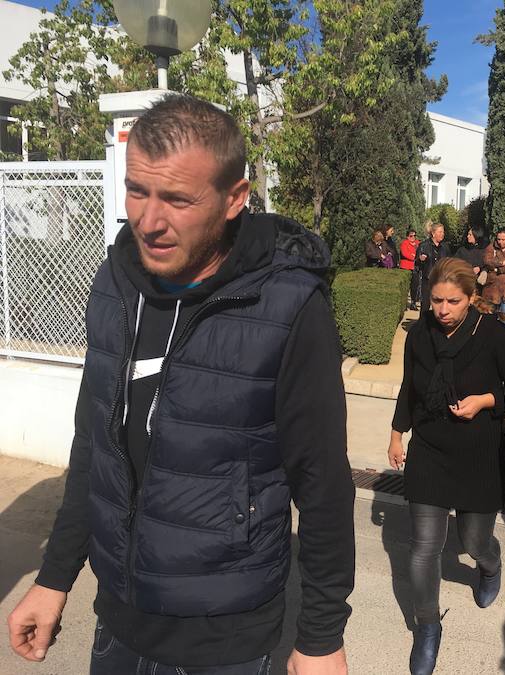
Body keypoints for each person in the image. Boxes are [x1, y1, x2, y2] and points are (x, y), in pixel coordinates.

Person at [5, 95, 355, 675]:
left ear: (234, 200)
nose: (148, 219)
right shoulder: (114, 283)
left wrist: (319, 638)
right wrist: (54, 578)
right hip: (118, 626)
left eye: (177, 199)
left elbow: (322, 482)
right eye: (137, 190)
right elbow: (95, 444)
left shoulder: (290, 304)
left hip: (229, 644)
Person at [388, 257, 505, 675]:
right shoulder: (419, 334)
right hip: (430, 451)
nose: (443, 309)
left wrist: (487, 400)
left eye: (453, 301)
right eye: (436, 300)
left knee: (472, 543)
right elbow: (409, 388)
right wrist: (398, 434)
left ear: (472, 299)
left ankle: (490, 564)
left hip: (479, 455)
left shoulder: (493, 335)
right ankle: (428, 627)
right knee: (423, 551)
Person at [416, 223, 449, 314]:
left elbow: (449, 262)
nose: (442, 234)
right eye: (440, 232)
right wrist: (421, 260)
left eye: (443, 232)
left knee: (439, 307)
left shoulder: (445, 247)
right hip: (427, 280)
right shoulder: (423, 245)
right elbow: (416, 264)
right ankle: (422, 326)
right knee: (425, 306)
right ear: (433, 233)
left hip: (441, 281)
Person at [401, 229, 421, 309]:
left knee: (415, 286)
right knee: (406, 286)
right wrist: (414, 257)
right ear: (407, 236)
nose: (413, 237)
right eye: (411, 236)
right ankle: (404, 303)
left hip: (415, 267)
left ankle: (413, 302)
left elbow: (421, 252)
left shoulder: (418, 243)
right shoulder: (404, 243)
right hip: (406, 267)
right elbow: (405, 253)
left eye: (414, 236)